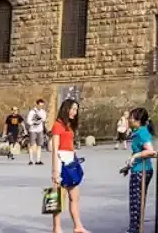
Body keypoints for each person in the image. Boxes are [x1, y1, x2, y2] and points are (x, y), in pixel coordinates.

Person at [50, 99, 87, 233]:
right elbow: (55, 148)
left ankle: (78, 226)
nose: (74, 112)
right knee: (58, 198)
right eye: (72, 109)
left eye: (76, 110)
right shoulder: (58, 125)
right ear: (66, 109)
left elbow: (70, 144)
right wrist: (55, 171)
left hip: (71, 160)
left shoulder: (69, 125)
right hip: (61, 162)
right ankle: (56, 228)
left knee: (74, 197)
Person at [125, 107, 156, 233]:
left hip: (141, 171)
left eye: (131, 117)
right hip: (139, 169)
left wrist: (135, 156)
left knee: (136, 202)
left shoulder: (142, 133)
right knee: (138, 201)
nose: (129, 120)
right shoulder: (139, 132)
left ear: (138, 120)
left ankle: (134, 229)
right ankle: (136, 227)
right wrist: (129, 165)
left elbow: (151, 151)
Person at [27, 99, 50, 166]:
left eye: (42, 106)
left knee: (39, 145)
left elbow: (44, 119)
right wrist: (34, 122)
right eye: (40, 105)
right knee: (31, 145)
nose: (41, 107)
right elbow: (28, 121)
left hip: (40, 130)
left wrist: (42, 120)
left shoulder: (43, 112)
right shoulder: (32, 112)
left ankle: (38, 160)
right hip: (32, 130)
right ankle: (31, 160)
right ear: (37, 104)